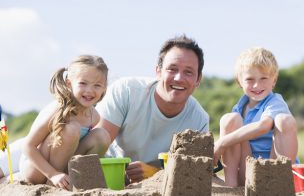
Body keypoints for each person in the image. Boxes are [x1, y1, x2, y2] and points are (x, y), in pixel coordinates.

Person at [82, 35, 209, 184]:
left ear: (198, 79)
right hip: (108, 174)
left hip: (157, 184)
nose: (179, 78)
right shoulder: (126, 91)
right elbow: (95, 145)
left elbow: (191, 175)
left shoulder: (199, 119)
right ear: (158, 71)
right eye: (172, 69)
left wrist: (155, 174)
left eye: (188, 72)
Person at [19, 55, 109, 190]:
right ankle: (54, 185)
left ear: (104, 88)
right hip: (38, 169)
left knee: (102, 135)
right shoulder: (59, 109)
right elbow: (27, 146)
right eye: (83, 83)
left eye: (97, 85)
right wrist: (53, 174)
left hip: (64, 168)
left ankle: (78, 180)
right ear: (69, 84)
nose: (89, 90)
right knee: (71, 129)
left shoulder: (94, 116)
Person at [213, 47, 298, 187]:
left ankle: (279, 184)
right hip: (248, 172)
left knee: (284, 120)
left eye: (264, 78)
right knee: (230, 119)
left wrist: (222, 142)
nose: (257, 85)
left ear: (274, 80)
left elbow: (263, 126)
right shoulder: (240, 107)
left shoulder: (275, 102)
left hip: (272, 168)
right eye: (250, 79)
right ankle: (231, 186)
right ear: (239, 82)